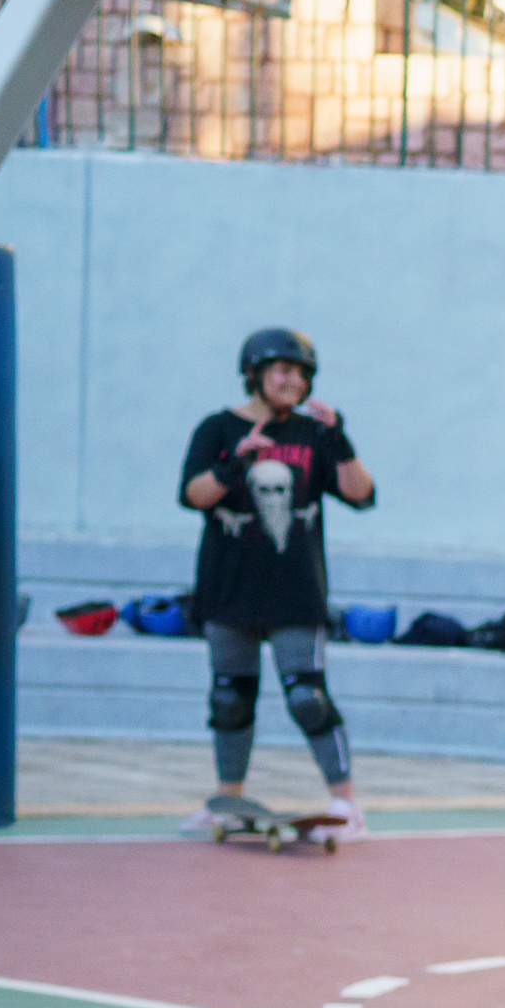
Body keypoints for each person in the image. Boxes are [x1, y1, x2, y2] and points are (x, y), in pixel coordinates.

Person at [174, 328, 376, 840]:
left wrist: (340, 440)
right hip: (229, 587)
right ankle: (229, 800)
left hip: (295, 590)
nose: (294, 381)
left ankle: (346, 805)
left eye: (302, 374)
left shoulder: (313, 435)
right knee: (230, 699)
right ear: (254, 375)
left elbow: (362, 494)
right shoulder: (217, 429)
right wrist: (236, 462)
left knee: (308, 696)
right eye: (283, 371)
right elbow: (194, 495)